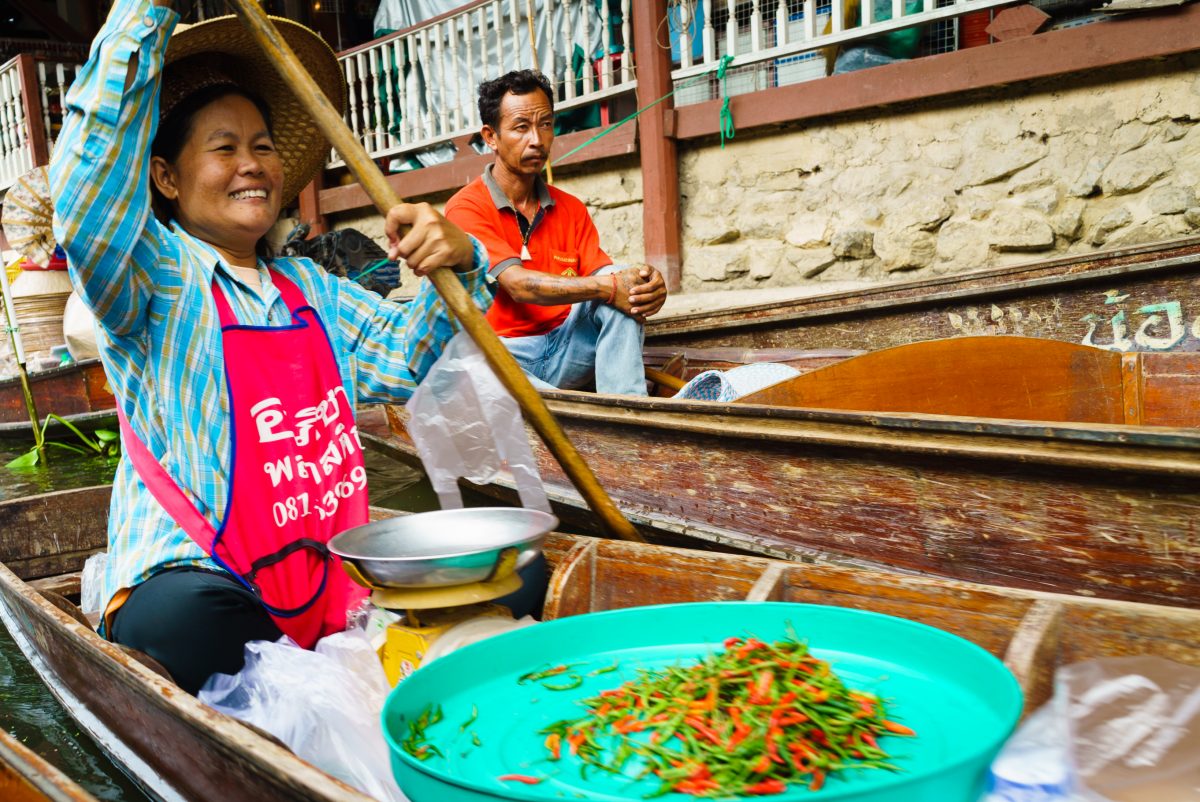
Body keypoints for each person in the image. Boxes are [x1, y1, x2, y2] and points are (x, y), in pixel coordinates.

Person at [50, 0, 491, 695]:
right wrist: (146, 11)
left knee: (497, 584)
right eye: (224, 148)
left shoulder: (313, 288)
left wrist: (460, 264)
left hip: (318, 578)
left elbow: (404, 360)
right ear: (165, 177)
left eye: (262, 146)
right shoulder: (154, 276)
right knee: (199, 625)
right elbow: (86, 199)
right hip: (200, 580)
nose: (251, 164)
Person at [444, 70, 668, 396]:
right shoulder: (466, 208)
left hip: (567, 350)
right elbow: (518, 286)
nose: (536, 139)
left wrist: (645, 287)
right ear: (491, 136)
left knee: (623, 279)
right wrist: (610, 286)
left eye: (545, 124)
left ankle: (628, 412)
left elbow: (608, 277)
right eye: (521, 127)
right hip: (506, 359)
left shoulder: (571, 208)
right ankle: (555, 408)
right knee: (468, 360)